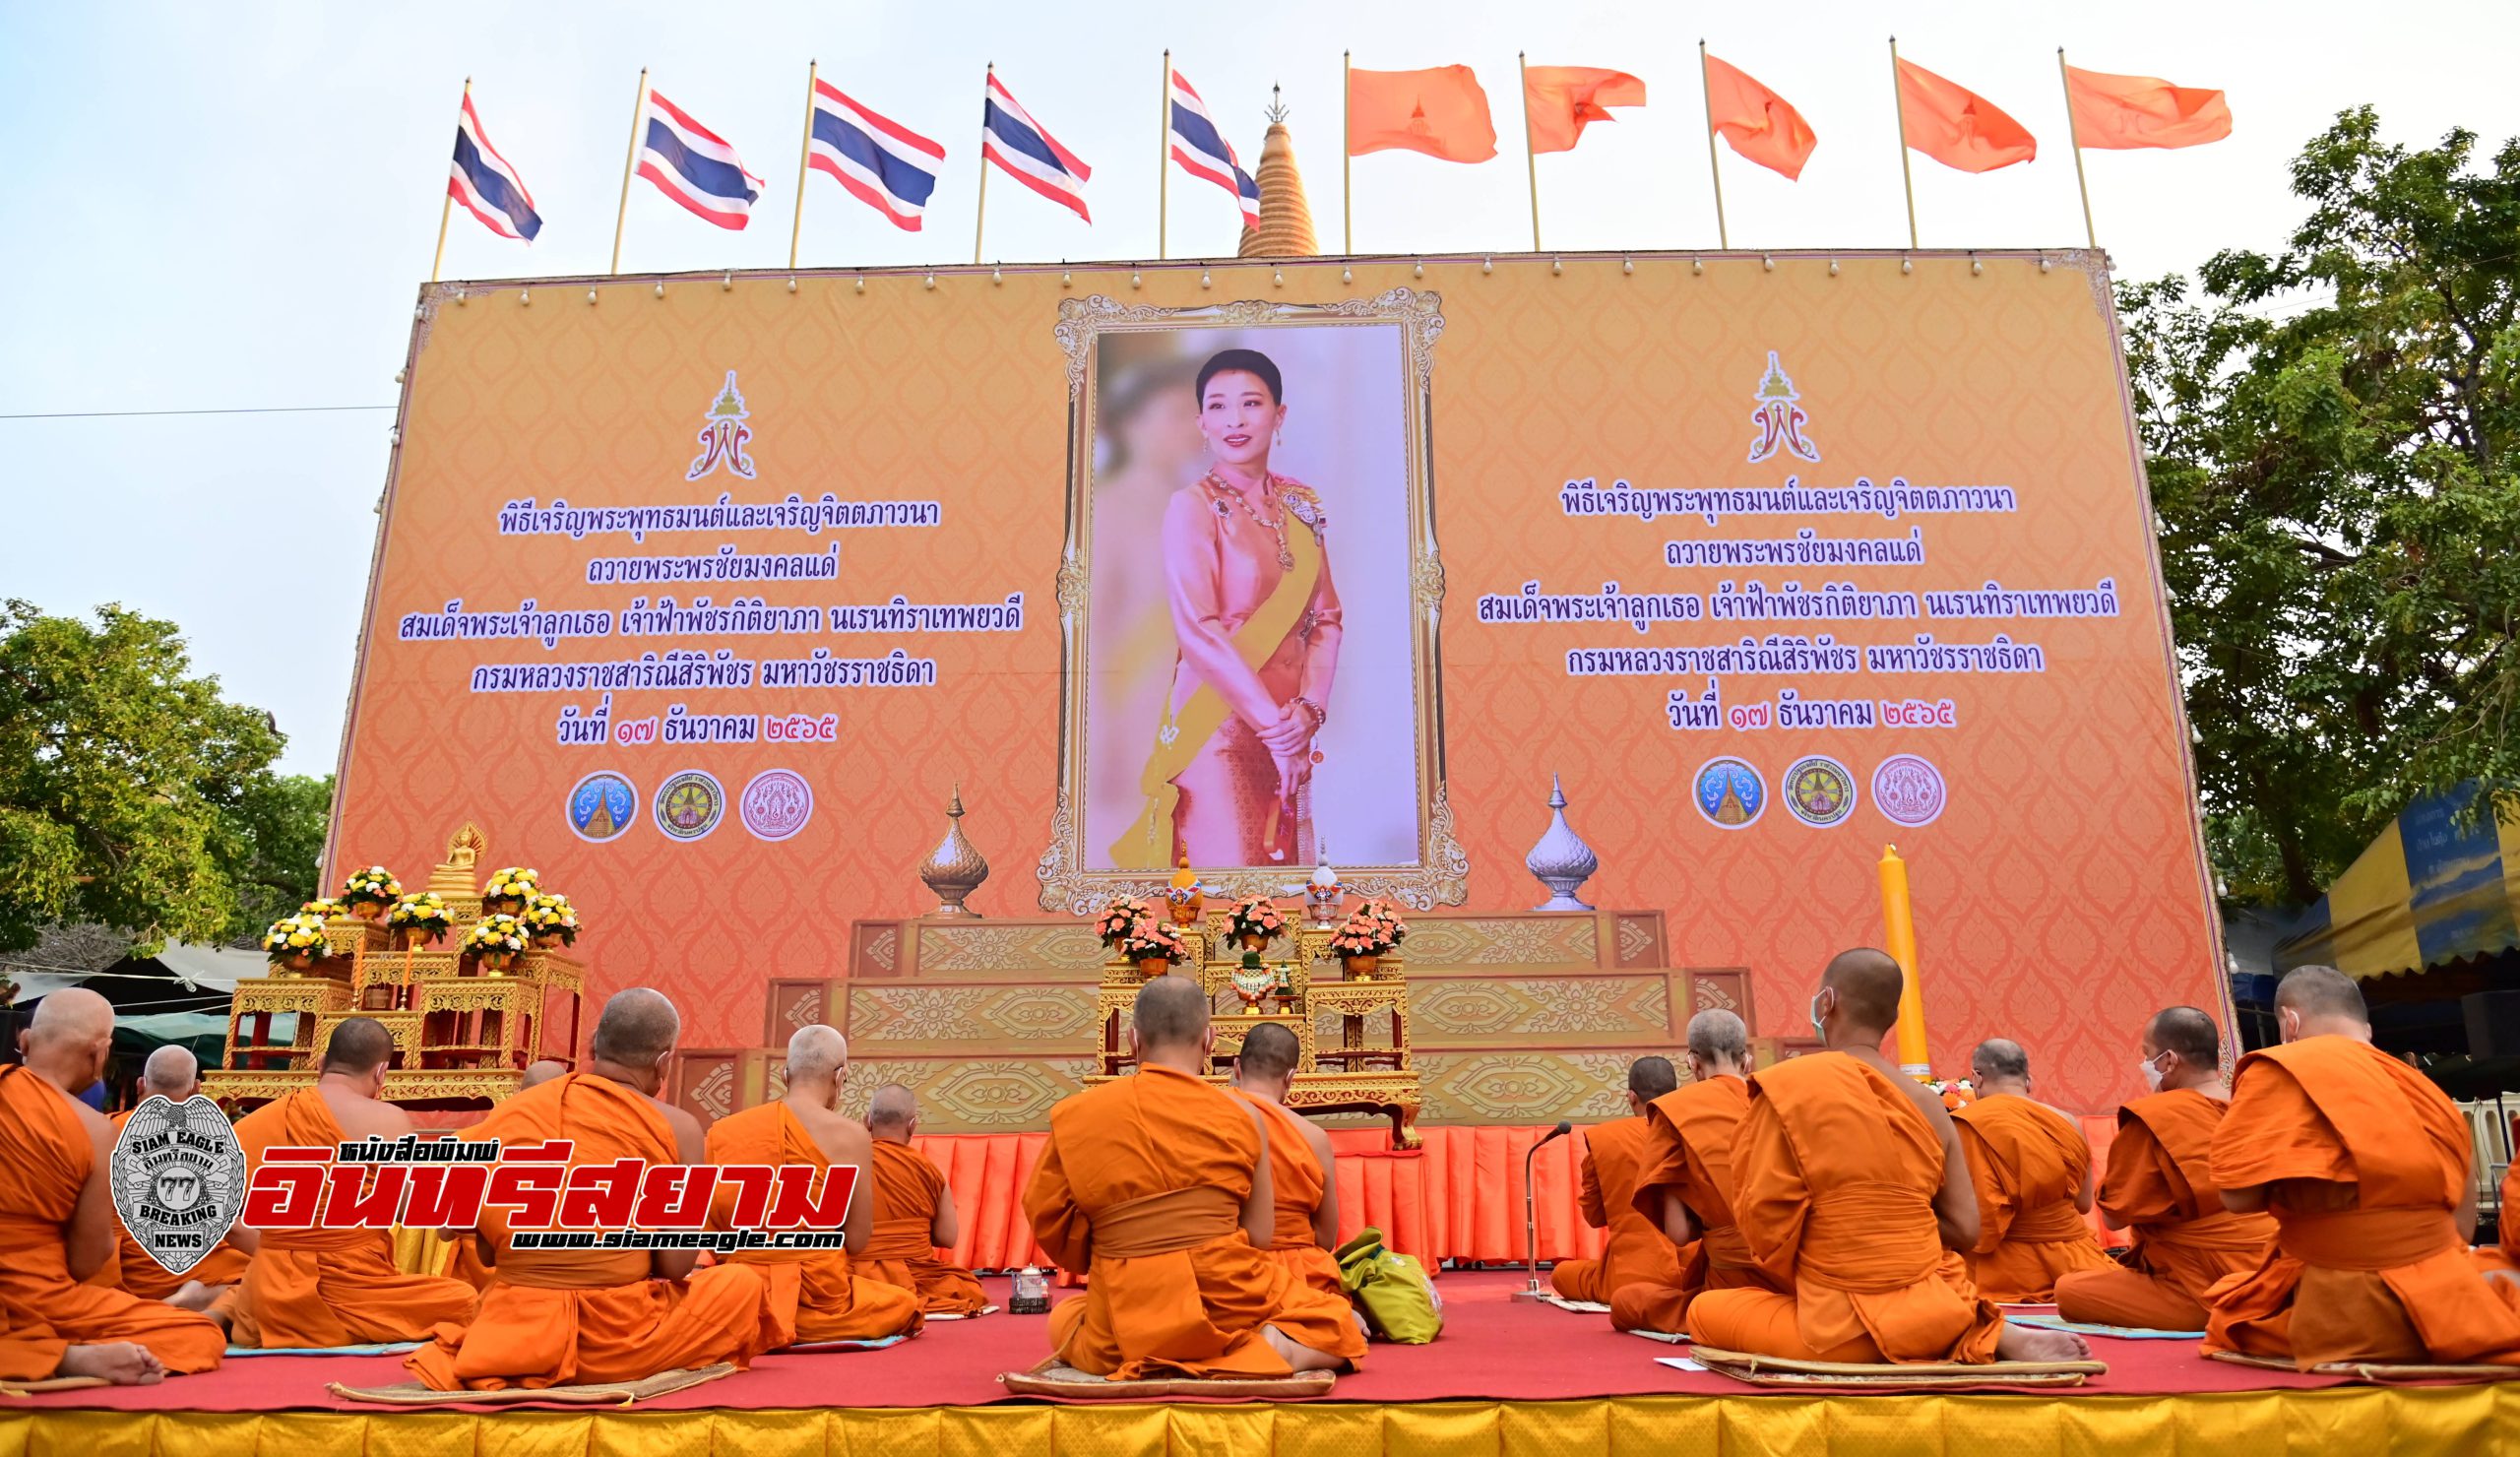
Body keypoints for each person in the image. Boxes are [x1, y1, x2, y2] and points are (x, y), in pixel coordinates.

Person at [1687, 951, 2091, 1363]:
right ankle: (1970, 1325)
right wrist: (1895, 1219)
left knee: (1704, 1311)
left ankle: (1932, 1325)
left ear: (1825, 1003)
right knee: (1932, 1286)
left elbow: (1765, 1229)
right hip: (1932, 1311)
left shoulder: (1790, 1086)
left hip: (1835, 1331)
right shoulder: (1931, 1105)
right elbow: (1968, 1229)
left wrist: (1847, 1230)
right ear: (1892, 1020)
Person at [408, 989, 775, 1389]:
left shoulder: (514, 1113)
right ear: (663, 1061)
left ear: (595, 1044)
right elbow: (675, 1265)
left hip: (511, 1333)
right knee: (741, 1285)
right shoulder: (678, 1127)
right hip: (618, 1338)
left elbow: (458, 1232)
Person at [1022, 976, 1365, 1377]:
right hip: (1227, 1297)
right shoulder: (1242, 1116)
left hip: (1126, 1306)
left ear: (1133, 1041)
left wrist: (1123, 1246)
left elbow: (1051, 1224)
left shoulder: (1080, 1114)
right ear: (1209, 1040)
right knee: (1336, 1321)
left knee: (1066, 1319)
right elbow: (1258, 1236)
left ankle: (1153, 1345)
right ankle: (1273, 1352)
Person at [2205, 966, 2520, 1366]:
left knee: (2230, 1316)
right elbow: (2462, 1226)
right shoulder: (2427, 1089)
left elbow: (2237, 1198)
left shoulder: (2280, 1067)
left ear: (2291, 1022)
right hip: (2450, 1305)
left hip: (2345, 1311)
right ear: (2367, 1029)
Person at [1111, 348, 1345, 869]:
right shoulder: (1191, 507)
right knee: (1227, 888)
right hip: (1219, 726)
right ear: (1201, 423)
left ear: (1279, 415)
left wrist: (1307, 713)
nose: (1234, 420)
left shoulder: (1302, 503)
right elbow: (1198, 629)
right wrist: (1273, 729)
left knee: (1284, 882)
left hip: (1291, 723)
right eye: (1217, 407)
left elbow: (1326, 617)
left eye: (1251, 403)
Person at [0, 989, 223, 1374]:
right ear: (100, 1053)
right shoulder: (93, 1131)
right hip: (35, 1297)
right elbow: (87, 1261)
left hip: (36, 1293)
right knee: (197, 1333)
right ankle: (62, 1356)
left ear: (24, 1041)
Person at [218, 1020, 479, 1347]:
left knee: (239, 1288)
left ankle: (226, 1310)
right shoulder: (386, 1120)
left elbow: (224, 1221)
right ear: (381, 1072)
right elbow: (414, 1207)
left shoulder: (259, 1121)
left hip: (268, 1303)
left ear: (321, 1063)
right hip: (354, 1292)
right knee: (464, 1299)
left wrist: (283, 1253)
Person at [2051, 1007, 2273, 1331]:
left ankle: (2224, 1310)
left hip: (2202, 1287)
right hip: (2275, 1275)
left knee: (2068, 1291)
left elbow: (2115, 1216)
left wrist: (2156, 1114)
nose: (2144, 1065)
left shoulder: (2159, 1116)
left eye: (2147, 1055)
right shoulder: (2256, 1106)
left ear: (2168, 1061)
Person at [705, 1027, 923, 1345]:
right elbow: (857, 1239)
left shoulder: (726, 1132)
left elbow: (713, 1236)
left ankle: (758, 1320)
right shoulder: (851, 1135)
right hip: (820, 1301)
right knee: (903, 1303)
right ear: (839, 1077)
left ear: (784, 1074)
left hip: (743, 1295)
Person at [1612, 1009, 1774, 1334]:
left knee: (1625, 1302)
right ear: (1748, 1061)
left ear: (1693, 1062)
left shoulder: (1677, 1111)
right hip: (1793, 1274)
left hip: (1730, 1281)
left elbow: (1679, 1234)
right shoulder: (1776, 1099)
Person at [1948, 1039, 2112, 1301]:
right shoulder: (2066, 1121)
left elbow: (1978, 1225)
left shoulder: (1968, 1123)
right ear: (2029, 1080)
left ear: (1976, 1078)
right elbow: (2083, 1204)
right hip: (2076, 1263)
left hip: (2000, 1271)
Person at [108, 1046, 252, 1302]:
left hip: (128, 1274)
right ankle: (204, 1297)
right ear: (196, 1089)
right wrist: (279, 1257)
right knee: (264, 1283)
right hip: (196, 1269)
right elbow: (230, 1228)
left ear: (141, 1084)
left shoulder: (104, 1130)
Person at [1550, 1056, 1686, 1308]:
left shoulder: (1608, 1138)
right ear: (1674, 1094)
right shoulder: (1691, 1132)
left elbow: (1594, 1216)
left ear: (1631, 1096)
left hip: (1631, 1275)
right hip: (1693, 1273)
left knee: (1562, 1274)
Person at [1226, 1023, 1344, 1297]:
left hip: (1230, 1270)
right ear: (1291, 1077)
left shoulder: (1210, 1116)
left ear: (1236, 1067)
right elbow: (1326, 1239)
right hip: (1300, 1275)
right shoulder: (1314, 1137)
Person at [859, 1084, 991, 1315]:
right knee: (965, 1287)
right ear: (913, 1125)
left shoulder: (850, 1166)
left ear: (867, 1121)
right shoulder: (930, 1170)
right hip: (918, 1275)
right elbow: (947, 1237)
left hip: (862, 1276)